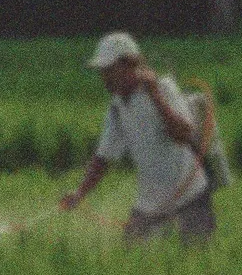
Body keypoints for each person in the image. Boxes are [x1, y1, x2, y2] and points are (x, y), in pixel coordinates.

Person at [59, 32, 217, 245]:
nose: (104, 77)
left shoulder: (163, 88)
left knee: (196, 264)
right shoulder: (117, 106)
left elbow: (183, 135)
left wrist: (155, 94)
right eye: (102, 71)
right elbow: (103, 158)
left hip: (190, 194)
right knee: (132, 260)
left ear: (129, 65)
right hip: (151, 202)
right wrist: (80, 194)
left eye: (109, 70)